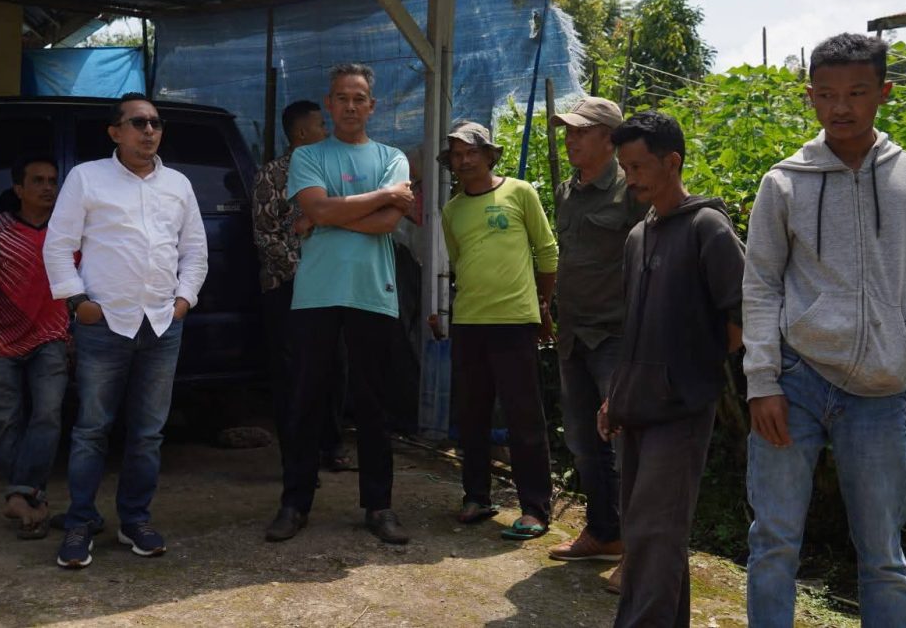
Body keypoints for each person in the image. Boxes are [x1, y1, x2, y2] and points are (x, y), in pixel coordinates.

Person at [743, 33, 906, 627]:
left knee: (884, 558)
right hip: (795, 383)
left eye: (856, 92)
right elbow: (761, 284)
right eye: (826, 94)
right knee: (773, 544)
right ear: (810, 97)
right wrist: (762, 381)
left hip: (879, 391)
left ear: (885, 92)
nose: (841, 107)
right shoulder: (784, 182)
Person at [44, 92, 208, 569]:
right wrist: (78, 301)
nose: (149, 131)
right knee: (92, 429)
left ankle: (135, 520)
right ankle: (80, 523)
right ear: (115, 132)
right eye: (138, 123)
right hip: (105, 324)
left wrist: (183, 301)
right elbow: (58, 246)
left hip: (161, 325)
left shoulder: (177, 184)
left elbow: (194, 250)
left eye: (155, 123)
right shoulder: (87, 177)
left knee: (148, 433)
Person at [598, 111, 744, 627]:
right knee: (647, 533)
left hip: (680, 409)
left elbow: (742, 314)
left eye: (639, 165)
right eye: (624, 166)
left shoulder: (707, 225)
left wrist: (689, 368)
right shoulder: (639, 235)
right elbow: (633, 326)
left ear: (673, 161)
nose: (630, 176)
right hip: (635, 405)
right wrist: (615, 394)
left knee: (657, 534)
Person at [264, 63, 414, 544]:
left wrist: (328, 216)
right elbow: (318, 207)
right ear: (329, 106)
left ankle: (379, 505)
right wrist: (373, 200)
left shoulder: (393, 157)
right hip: (316, 294)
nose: (350, 105)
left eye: (359, 98)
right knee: (306, 399)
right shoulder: (309, 156)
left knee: (373, 404)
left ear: (372, 105)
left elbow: (388, 223)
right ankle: (294, 502)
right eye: (341, 98)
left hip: (373, 293)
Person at [438, 121, 558, 540]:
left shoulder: (520, 192)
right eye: (456, 154)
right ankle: (476, 496)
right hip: (469, 321)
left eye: (472, 151)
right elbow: (459, 263)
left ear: (490, 155)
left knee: (525, 417)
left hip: (514, 321)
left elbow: (546, 252)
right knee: (471, 414)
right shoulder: (452, 210)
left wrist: (542, 305)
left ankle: (535, 508)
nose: (465, 159)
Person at [547, 98, 645, 585]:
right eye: (567, 131)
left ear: (610, 138)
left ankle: (641, 553)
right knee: (585, 443)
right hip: (573, 337)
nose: (570, 138)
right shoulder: (568, 191)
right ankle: (605, 533)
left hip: (615, 336)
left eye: (580, 131)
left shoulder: (632, 190)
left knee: (630, 447)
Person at [0, 155, 69, 540]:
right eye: (37, 180)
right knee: (7, 419)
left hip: (50, 336)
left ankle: (21, 495)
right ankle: (31, 500)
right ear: (19, 190)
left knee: (48, 415)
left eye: (53, 181)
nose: (47, 188)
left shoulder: (66, 230)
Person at [251, 100, 353, 472]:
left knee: (335, 367)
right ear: (302, 134)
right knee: (294, 375)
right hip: (287, 288)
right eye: (321, 125)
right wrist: (306, 273)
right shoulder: (272, 176)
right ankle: (298, 458)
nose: (327, 131)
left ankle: (332, 445)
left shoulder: (332, 171)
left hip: (330, 288)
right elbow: (266, 237)